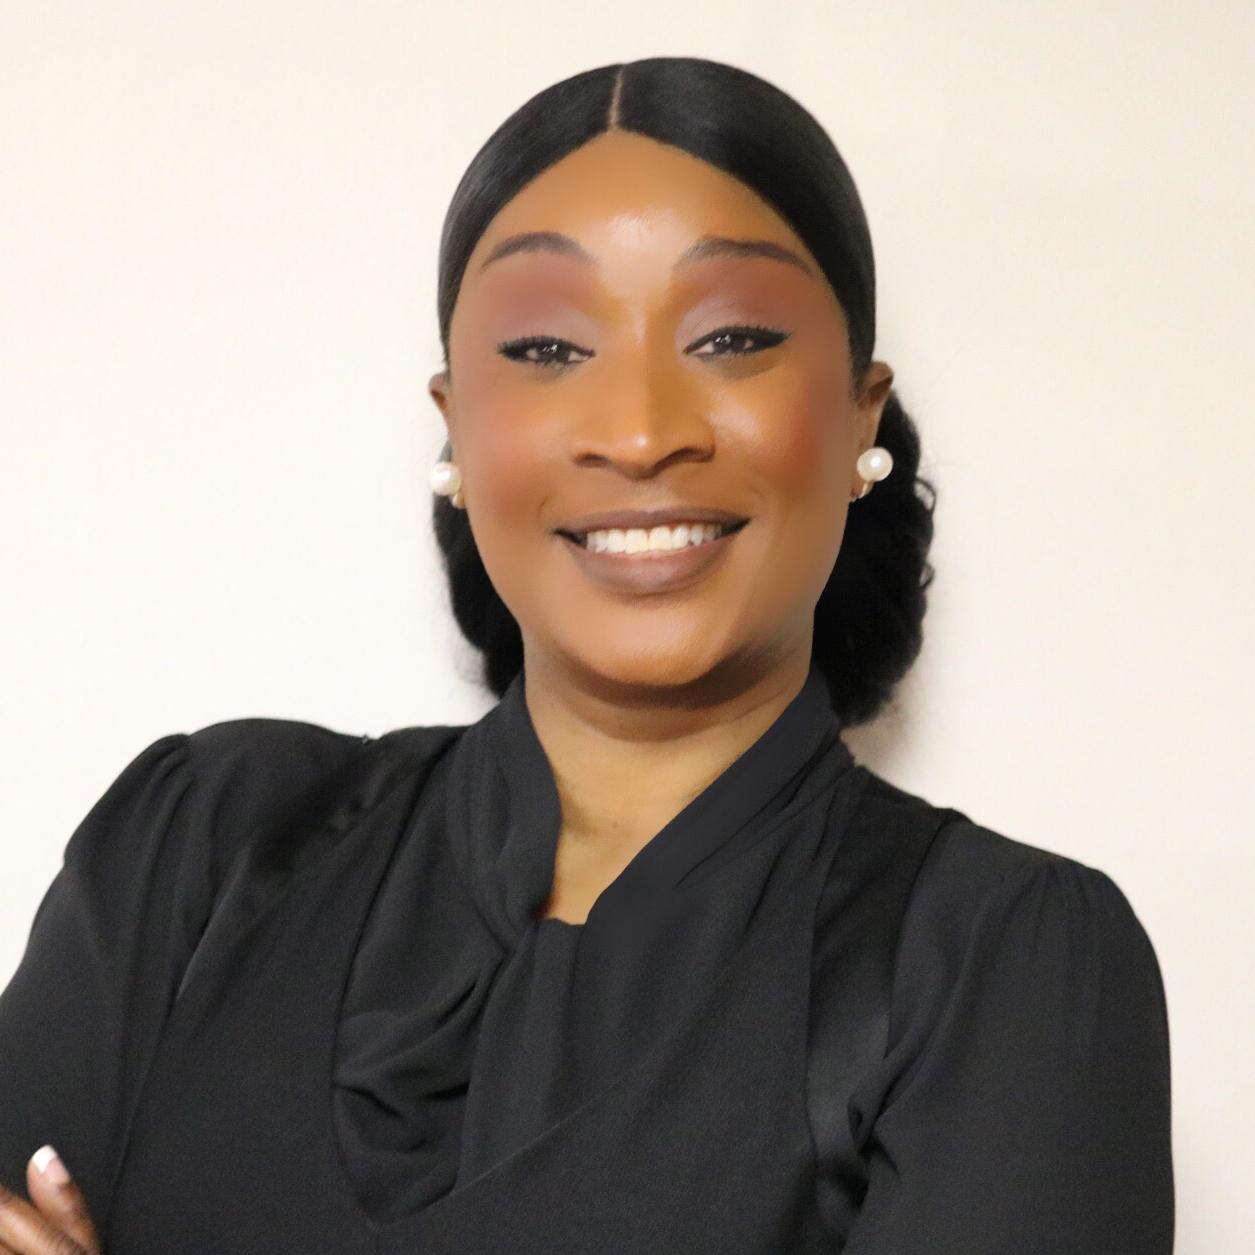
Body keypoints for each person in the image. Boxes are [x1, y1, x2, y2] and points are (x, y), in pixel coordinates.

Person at [0, 56, 1173, 1254]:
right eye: (548, 349)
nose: (641, 432)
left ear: (858, 414)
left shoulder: (1004, 966)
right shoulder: (203, 847)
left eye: (733, 336)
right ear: (455, 426)